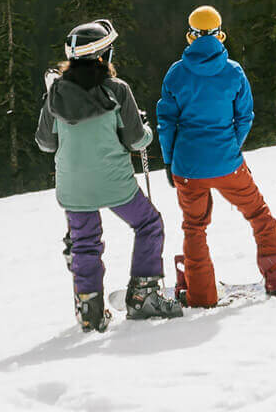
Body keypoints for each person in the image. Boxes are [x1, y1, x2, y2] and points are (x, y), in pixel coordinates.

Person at [35, 18, 183, 332]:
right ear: (102, 56)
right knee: (148, 224)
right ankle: (143, 295)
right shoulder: (117, 90)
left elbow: (45, 143)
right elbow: (135, 140)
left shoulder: (55, 95)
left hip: (73, 187)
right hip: (115, 183)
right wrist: (145, 130)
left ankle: (89, 308)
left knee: (85, 243)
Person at [156, 5, 276, 306]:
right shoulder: (233, 71)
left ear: (191, 36)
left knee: (194, 227)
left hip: (187, 167)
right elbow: (244, 116)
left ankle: (200, 295)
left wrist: (170, 161)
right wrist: (230, 146)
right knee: (259, 215)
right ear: (220, 34)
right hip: (227, 163)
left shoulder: (176, 74)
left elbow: (166, 123)